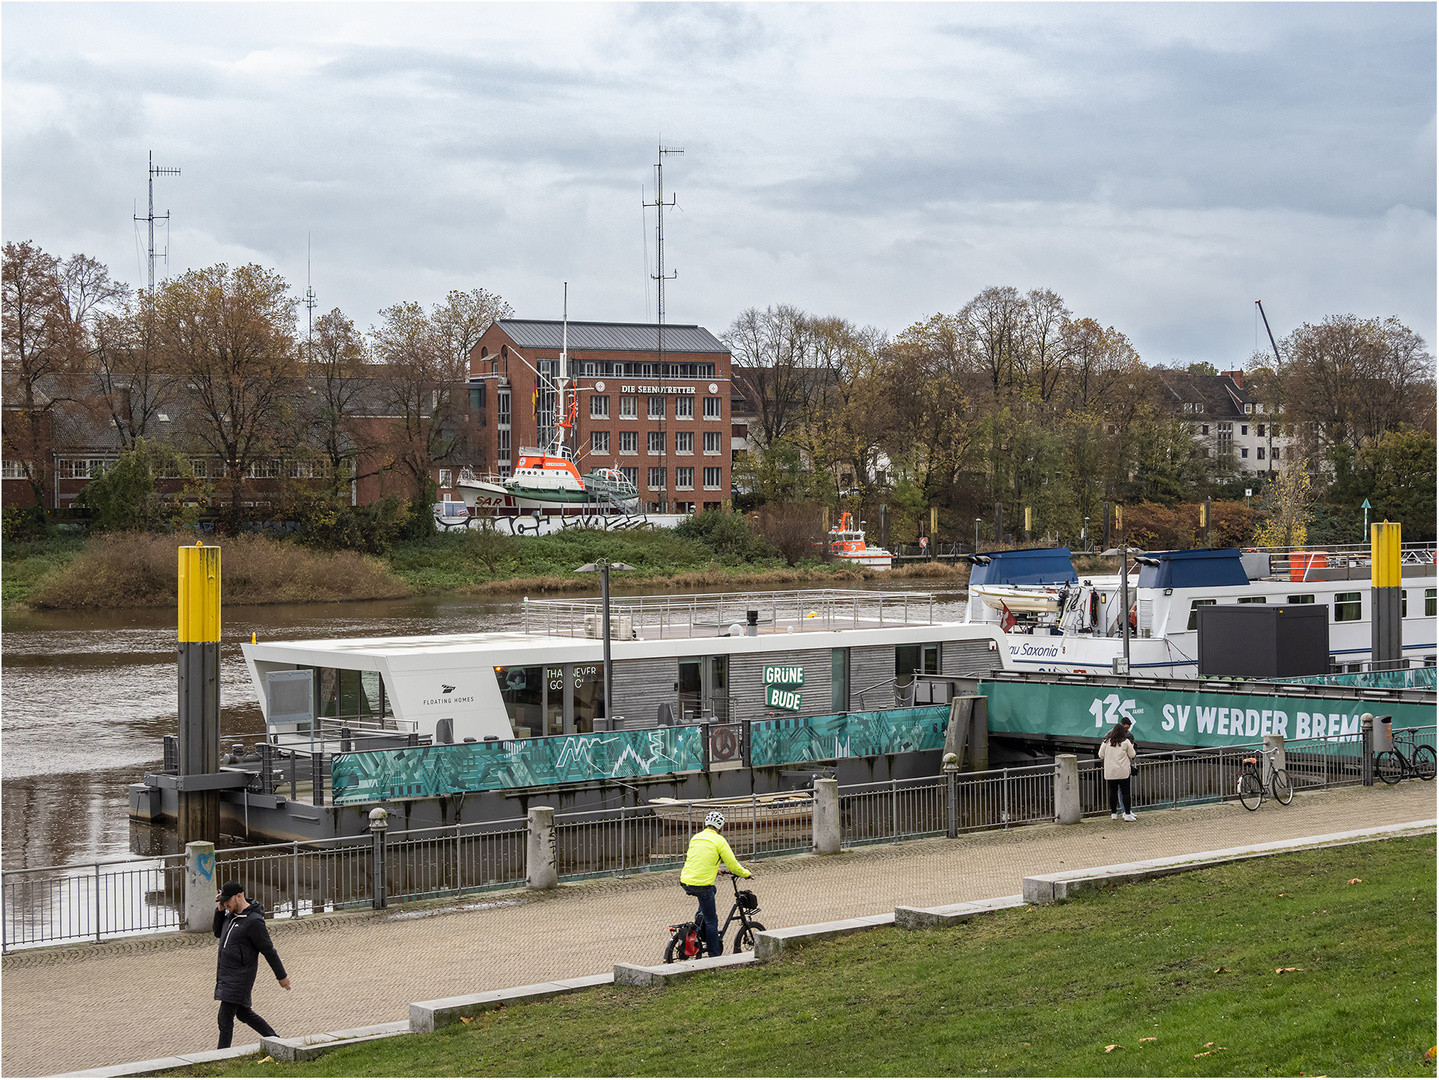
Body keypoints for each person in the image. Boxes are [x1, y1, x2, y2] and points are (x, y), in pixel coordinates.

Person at [213, 881, 291, 1049]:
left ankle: (220, 1057)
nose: (225, 904)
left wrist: (281, 976)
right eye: (223, 901)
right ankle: (277, 1041)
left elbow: (268, 950)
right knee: (243, 1013)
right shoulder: (231, 916)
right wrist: (219, 911)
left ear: (238, 896)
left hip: (240, 977)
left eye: (227, 901)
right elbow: (218, 932)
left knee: (224, 1018)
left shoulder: (254, 921)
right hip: (226, 975)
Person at [679, 811, 752, 957]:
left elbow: (699, 859)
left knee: (712, 889)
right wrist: (746, 873)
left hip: (686, 881)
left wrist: (715, 869)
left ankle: (699, 922)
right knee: (712, 919)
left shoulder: (696, 837)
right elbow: (733, 864)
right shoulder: (719, 840)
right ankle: (714, 955)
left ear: (706, 824)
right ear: (721, 827)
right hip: (701, 885)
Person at [1099, 721, 1137, 822]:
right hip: (1123, 771)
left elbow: (1100, 754)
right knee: (1125, 793)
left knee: (1113, 793)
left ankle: (1113, 813)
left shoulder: (1106, 742)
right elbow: (1132, 754)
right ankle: (1127, 814)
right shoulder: (1125, 742)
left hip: (1110, 772)